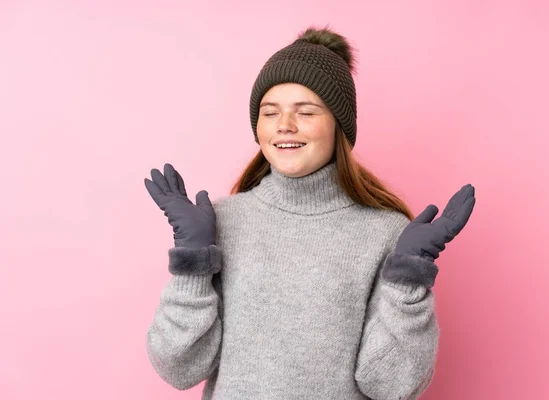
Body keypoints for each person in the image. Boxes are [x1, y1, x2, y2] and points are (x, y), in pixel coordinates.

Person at [144, 26, 476, 400]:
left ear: (339, 125)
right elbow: (178, 367)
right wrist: (192, 264)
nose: (285, 125)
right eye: (270, 113)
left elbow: (392, 385)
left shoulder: (385, 233)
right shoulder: (220, 223)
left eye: (305, 112)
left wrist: (409, 282)